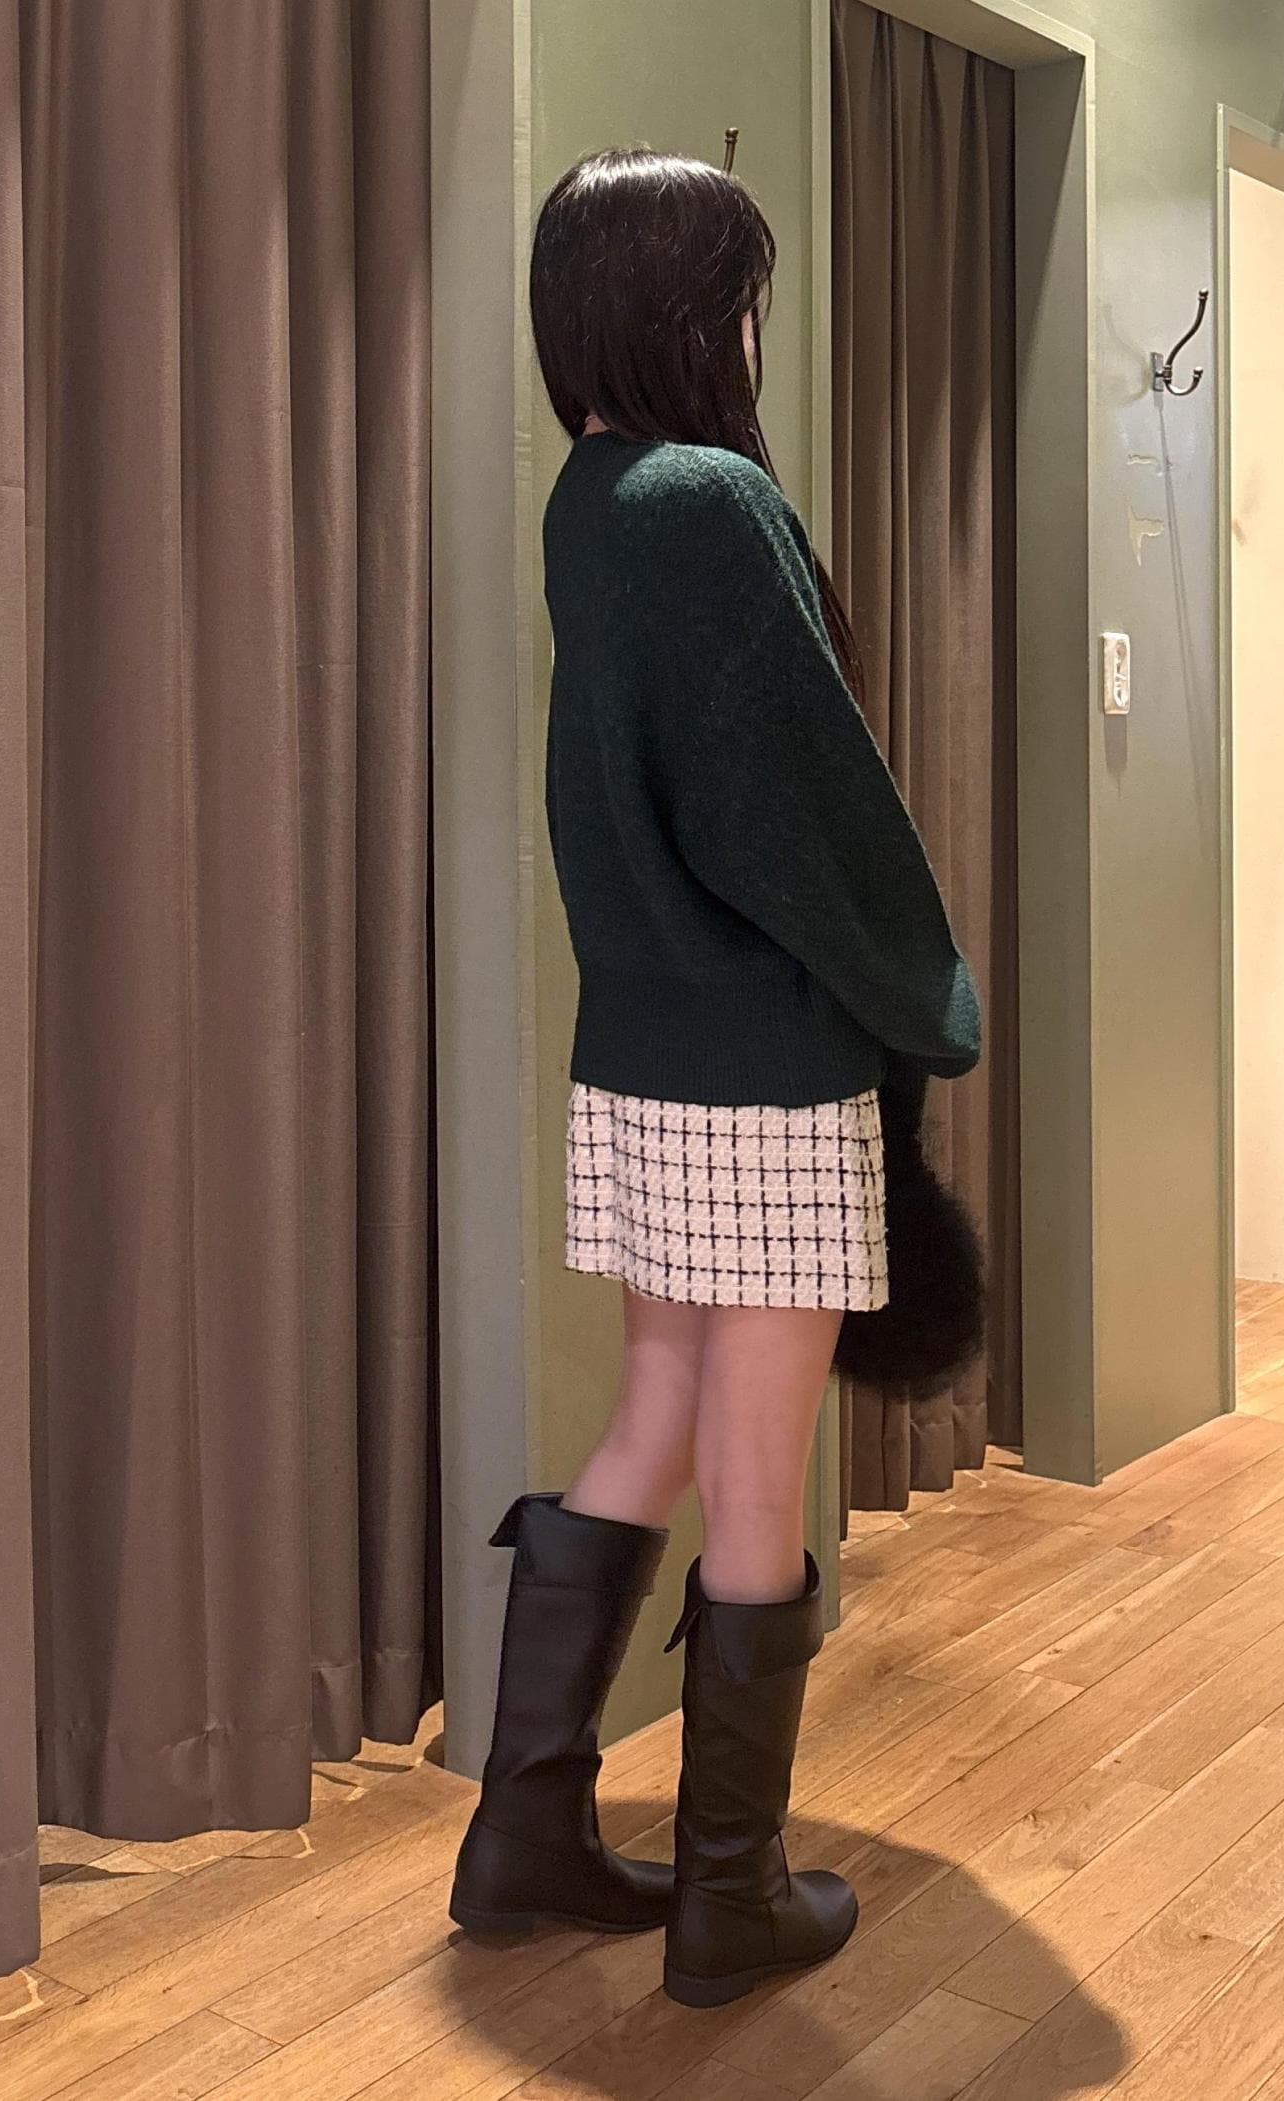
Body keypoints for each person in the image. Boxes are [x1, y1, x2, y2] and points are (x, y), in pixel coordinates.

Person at [448, 147, 981, 2010]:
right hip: (761, 1064)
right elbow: (804, 812)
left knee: (654, 1417)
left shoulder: (590, 500)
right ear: (687, 310)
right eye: (743, 297)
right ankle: (729, 1896)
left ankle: (523, 1827)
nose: (756, 329)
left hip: (644, 1051)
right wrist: (925, 993)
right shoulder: (707, 498)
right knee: (759, 1478)